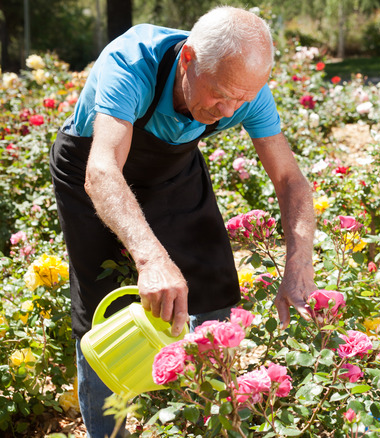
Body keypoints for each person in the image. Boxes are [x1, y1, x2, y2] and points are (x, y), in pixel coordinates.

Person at [49, 6, 316, 437]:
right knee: (105, 314)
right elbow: (102, 172)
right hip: (96, 168)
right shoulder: (132, 62)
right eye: (221, 94)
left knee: (213, 286)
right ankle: (108, 431)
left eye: (242, 100)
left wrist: (299, 267)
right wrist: (151, 258)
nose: (229, 110)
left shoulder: (244, 90)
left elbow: (291, 182)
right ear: (188, 59)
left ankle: (214, 423)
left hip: (170, 170)